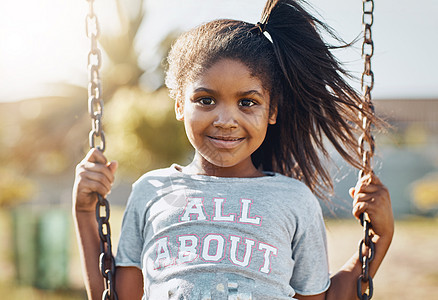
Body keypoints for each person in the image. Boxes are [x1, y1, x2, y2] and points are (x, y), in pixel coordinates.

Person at [72, 0, 394, 299]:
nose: (226, 120)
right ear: (179, 105)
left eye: (247, 102)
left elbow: (322, 297)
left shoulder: (293, 200)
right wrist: (85, 212)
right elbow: (117, 296)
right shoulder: (151, 191)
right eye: (205, 100)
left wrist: (379, 239)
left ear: (272, 111)